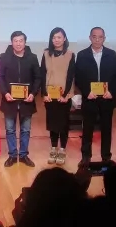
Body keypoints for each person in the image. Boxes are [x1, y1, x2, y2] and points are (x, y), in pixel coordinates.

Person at [74, 27, 116, 164]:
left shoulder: (111, 54)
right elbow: (78, 77)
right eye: (94, 37)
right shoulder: (82, 55)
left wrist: (111, 91)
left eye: (100, 37)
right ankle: (85, 156)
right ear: (90, 38)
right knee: (87, 128)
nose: (97, 40)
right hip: (90, 97)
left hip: (107, 98)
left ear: (104, 38)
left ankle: (106, 157)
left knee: (106, 128)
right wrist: (86, 91)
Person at [0, 31, 40, 167]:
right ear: (11, 42)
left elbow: (38, 78)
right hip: (9, 100)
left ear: (25, 42)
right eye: (15, 41)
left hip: (27, 101)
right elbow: (0, 77)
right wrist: (5, 93)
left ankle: (23, 155)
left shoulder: (32, 58)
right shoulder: (4, 57)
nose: (18, 43)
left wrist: (33, 93)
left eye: (21, 41)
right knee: (10, 130)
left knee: (25, 130)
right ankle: (12, 155)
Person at [40, 27, 75, 166]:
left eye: (59, 37)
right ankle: (53, 148)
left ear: (64, 39)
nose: (56, 40)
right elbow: (42, 74)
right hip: (50, 95)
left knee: (64, 123)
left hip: (64, 96)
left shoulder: (70, 54)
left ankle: (62, 149)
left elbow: (71, 76)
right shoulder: (46, 54)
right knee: (53, 123)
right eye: (54, 37)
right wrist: (44, 93)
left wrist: (66, 95)